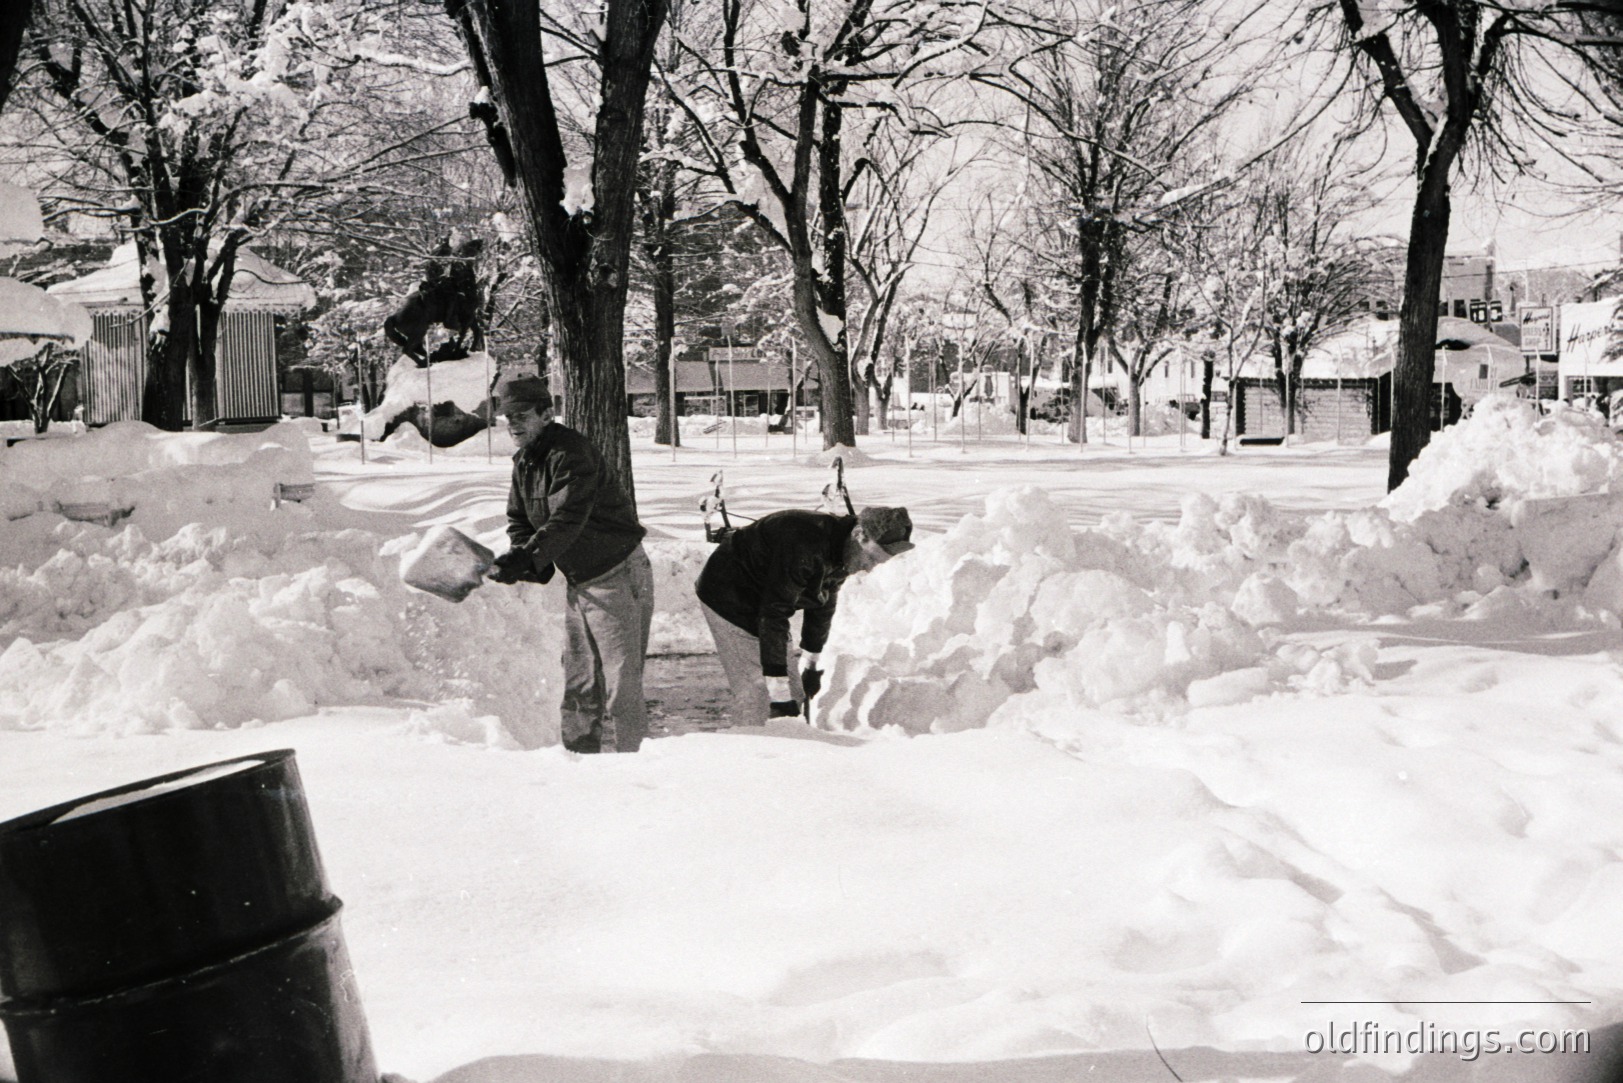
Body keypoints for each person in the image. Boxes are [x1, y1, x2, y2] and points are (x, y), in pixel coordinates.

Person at [488, 375, 654, 754]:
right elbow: (520, 519)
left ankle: (638, 767)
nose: (512, 424)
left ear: (547, 413)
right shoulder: (525, 460)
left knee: (620, 687)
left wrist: (529, 556)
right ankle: (579, 764)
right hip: (581, 580)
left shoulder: (569, 452)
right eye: (506, 417)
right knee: (580, 684)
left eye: (521, 415)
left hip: (617, 573)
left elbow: (568, 517)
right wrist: (521, 555)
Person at [694, 505, 914, 723]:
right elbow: (773, 614)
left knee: (792, 696)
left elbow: (823, 600)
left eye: (877, 562)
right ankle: (757, 749)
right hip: (728, 594)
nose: (869, 568)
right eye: (871, 558)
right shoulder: (806, 544)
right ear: (858, 534)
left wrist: (811, 661)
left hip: (764, 600)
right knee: (760, 696)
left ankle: (781, 742)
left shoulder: (844, 548)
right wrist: (778, 695)